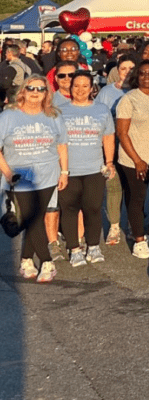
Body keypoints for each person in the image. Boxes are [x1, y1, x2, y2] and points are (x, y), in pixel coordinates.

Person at [0, 75, 69, 283]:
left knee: (36, 219)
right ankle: (47, 261)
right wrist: (8, 173)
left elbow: (62, 145)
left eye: (40, 89)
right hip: (20, 177)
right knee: (31, 219)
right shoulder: (8, 115)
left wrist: (64, 172)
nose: (35, 93)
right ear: (23, 90)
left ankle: (26, 259)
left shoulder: (53, 115)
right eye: (31, 88)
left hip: (48, 174)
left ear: (46, 93)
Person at [58, 71, 115, 267]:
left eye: (85, 86)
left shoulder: (102, 110)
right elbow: (57, 143)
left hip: (94, 168)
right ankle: (74, 249)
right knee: (69, 209)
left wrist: (109, 162)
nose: (80, 90)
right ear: (70, 88)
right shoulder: (60, 111)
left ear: (92, 89)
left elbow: (108, 137)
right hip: (69, 170)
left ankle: (93, 246)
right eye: (76, 86)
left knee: (93, 209)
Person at [115, 59, 149, 259]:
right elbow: (122, 133)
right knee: (137, 199)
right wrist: (138, 160)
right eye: (143, 73)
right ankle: (138, 240)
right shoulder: (129, 99)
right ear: (136, 76)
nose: (147, 77)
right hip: (134, 160)